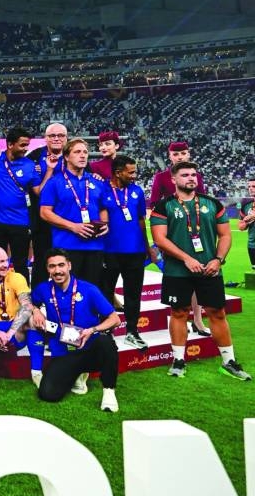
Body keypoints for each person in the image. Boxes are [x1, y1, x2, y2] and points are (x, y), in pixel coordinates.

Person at [150, 162, 250, 381]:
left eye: (193, 175)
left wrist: (218, 260)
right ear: (173, 179)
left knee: (217, 312)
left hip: (210, 269)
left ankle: (229, 362)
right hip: (177, 271)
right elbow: (160, 239)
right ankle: (178, 360)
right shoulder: (163, 206)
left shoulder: (211, 203)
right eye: (185, 175)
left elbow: (225, 235)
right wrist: (186, 259)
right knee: (179, 312)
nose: (191, 178)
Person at [28, 249, 122, 412]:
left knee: (106, 342)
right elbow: (29, 301)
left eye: (61, 265)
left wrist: (93, 329)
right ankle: (76, 374)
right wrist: (35, 310)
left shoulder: (89, 289)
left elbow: (115, 319)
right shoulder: (43, 289)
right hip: (63, 351)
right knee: (48, 394)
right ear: (47, 269)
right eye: (52, 266)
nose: (57, 270)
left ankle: (108, 392)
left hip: (88, 348)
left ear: (69, 266)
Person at [148, 140, 212, 336]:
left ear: (188, 154)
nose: (180, 157)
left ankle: (198, 320)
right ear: (170, 156)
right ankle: (179, 318)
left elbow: (202, 202)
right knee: (176, 276)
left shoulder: (196, 176)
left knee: (197, 276)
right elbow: (153, 204)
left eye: (183, 153)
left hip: (195, 232)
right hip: (172, 233)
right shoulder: (161, 177)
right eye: (176, 154)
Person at [100, 155, 155, 350]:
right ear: (118, 172)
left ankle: (132, 331)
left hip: (135, 251)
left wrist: (147, 247)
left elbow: (141, 220)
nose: (134, 176)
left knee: (133, 294)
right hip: (109, 251)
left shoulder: (137, 191)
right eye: (130, 172)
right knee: (106, 293)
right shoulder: (101, 189)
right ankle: (106, 332)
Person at [39, 138, 109, 289]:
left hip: (95, 247)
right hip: (66, 247)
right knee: (68, 291)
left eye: (85, 152)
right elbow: (44, 212)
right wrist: (73, 227)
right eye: (77, 152)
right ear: (66, 156)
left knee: (92, 291)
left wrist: (105, 224)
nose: (82, 155)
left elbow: (103, 208)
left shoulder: (97, 182)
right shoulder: (54, 182)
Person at [0, 127, 40, 278]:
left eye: (27, 145)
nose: (25, 149)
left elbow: (39, 191)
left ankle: (23, 293)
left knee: (20, 264)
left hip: (20, 222)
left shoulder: (30, 165)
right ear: (10, 144)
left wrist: (50, 171)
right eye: (22, 145)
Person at [28, 122, 68, 287]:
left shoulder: (74, 154)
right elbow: (38, 191)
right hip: (42, 219)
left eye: (60, 135)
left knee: (68, 259)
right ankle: (38, 297)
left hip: (69, 218)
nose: (56, 139)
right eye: (52, 135)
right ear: (45, 138)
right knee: (42, 260)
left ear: (66, 138)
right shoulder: (34, 156)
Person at [239, 178, 255, 268]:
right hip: (252, 245)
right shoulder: (246, 204)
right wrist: (246, 221)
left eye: (254, 186)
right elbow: (240, 227)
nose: (250, 188)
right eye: (249, 186)